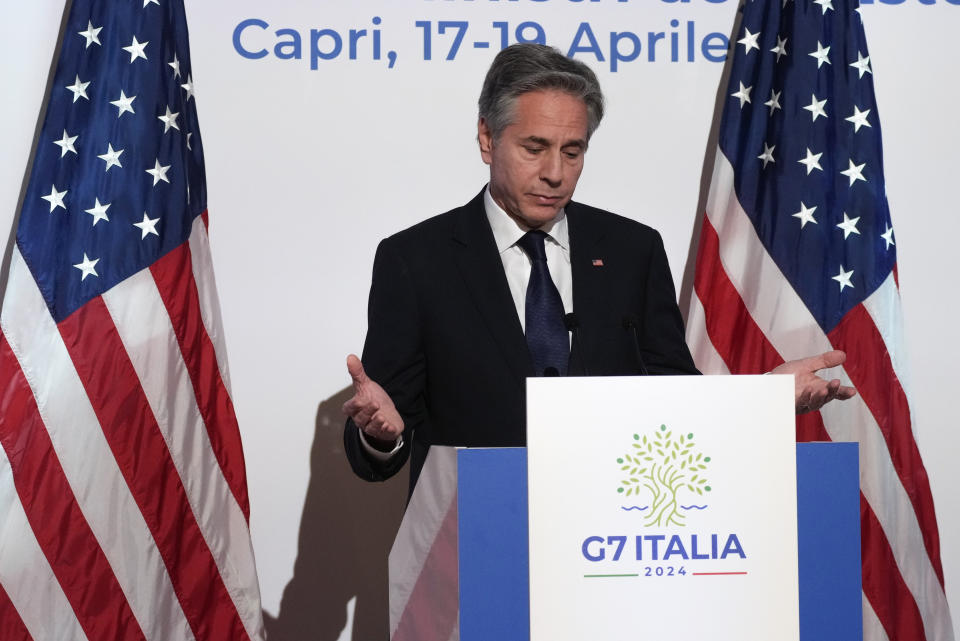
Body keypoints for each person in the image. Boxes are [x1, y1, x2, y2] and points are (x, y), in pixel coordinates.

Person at [342, 43, 855, 492]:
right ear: (486, 138)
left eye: (573, 151)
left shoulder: (633, 250)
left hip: (610, 544)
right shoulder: (416, 260)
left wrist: (764, 395)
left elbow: (676, 399)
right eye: (534, 148)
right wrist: (379, 435)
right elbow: (383, 429)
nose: (555, 174)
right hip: (474, 549)